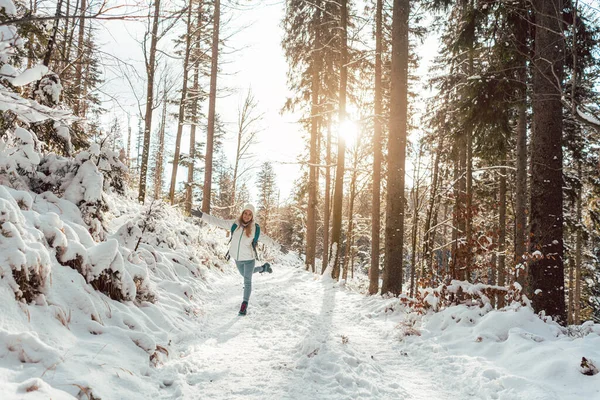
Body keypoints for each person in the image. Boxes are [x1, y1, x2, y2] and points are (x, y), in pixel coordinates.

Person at [192, 204, 273, 316]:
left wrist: (280, 247)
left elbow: (267, 240)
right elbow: (218, 221)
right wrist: (202, 215)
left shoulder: (255, 229)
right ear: (242, 213)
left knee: (247, 280)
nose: (247, 216)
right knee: (245, 274)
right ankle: (264, 268)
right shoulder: (234, 224)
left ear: (252, 216)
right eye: (245, 213)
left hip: (249, 259)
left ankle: (244, 304)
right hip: (237, 259)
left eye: (250, 214)